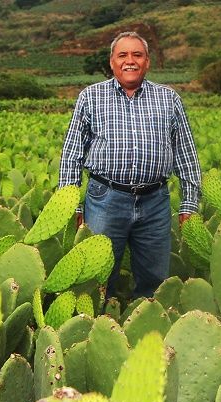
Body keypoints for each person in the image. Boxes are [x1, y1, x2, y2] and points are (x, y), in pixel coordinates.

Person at [58, 31, 202, 300]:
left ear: (148, 62)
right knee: (98, 276)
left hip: (155, 201)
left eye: (137, 55)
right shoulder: (91, 97)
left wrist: (189, 204)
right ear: (112, 62)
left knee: (155, 279)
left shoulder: (169, 99)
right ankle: (98, 332)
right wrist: (72, 205)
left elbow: (186, 154)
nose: (130, 61)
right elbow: (72, 155)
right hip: (105, 199)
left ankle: (149, 330)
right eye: (122, 55)